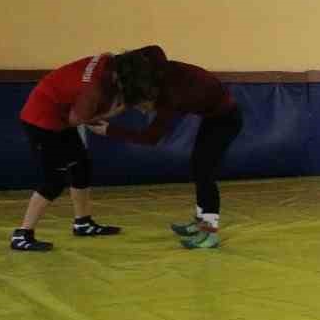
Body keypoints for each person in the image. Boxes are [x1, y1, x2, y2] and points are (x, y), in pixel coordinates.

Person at [88, 46, 244, 250]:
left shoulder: (170, 97)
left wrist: (109, 131)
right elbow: (155, 49)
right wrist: (119, 62)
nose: (143, 112)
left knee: (204, 172)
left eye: (142, 106)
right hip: (214, 114)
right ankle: (200, 221)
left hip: (226, 119)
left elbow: (151, 138)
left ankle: (209, 233)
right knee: (198, 167)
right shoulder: (154, 66)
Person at [10, 51, 125, 251]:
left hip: (56, 115)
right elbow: (77, 119)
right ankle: (22, 234)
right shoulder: (94, 88)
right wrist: (116, 110)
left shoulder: (107, 60)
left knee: (81, 166)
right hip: (42, 122)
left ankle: (83, 222)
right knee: (54, 180)